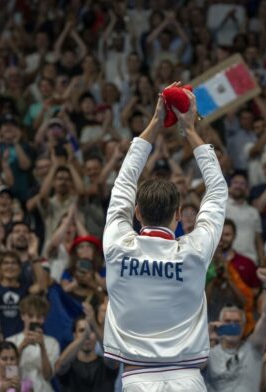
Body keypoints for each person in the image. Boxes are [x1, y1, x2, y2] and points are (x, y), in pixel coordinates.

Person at [102, 84, 227, 391]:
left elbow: (123, 183)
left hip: (136, 380)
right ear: (178, 214)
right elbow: (218, 190)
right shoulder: (195, 251)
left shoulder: (118, 245)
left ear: (137, 213)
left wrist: (155, 123)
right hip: (188, 380)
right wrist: (190, 129)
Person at [204, 268, 266, 391]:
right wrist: (205, 339)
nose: (232, 325)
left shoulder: (254, 348)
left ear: (243, 326)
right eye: (227, 322)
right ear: (220, 324)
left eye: (237, 322)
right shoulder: (207, 354)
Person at [6, 295, 60, 392]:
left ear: (44, 319)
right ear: (22, 316)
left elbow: (47, 376)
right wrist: (21, 347)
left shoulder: (52, 343)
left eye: (39, 317)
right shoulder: (10, 341)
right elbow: (9, 374)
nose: (34, 320)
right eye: (30, 316)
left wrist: (42, 347)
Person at [56, 316, 118, 392]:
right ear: (75, 335)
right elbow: (60, 365)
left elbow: (113, 360)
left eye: (91, 330)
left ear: (96, 335)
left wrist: (95, 325)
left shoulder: (107, 364)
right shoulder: (69, 365)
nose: (87, 335)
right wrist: (84, 336)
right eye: (82, 330)